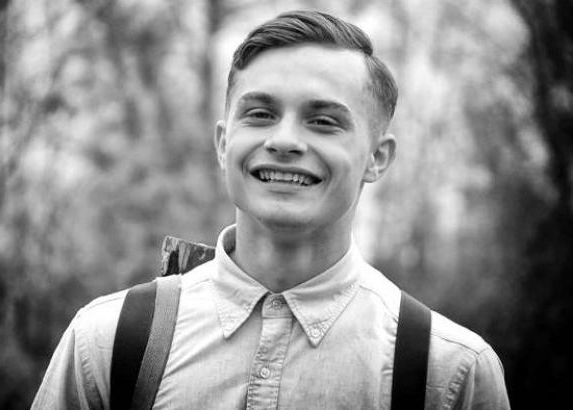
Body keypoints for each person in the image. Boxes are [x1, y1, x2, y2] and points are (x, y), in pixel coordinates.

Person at [32, 10, 510, 409]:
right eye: (260, 114)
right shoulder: (106, 342)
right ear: (224, 144)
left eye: (323, 121)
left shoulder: (450, 374)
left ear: (377, 158)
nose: (283, 141)